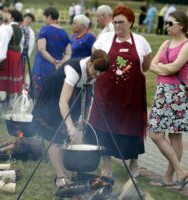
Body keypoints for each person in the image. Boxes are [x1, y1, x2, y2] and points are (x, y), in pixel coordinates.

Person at [87, 5, 152, 179]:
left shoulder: (141, 42)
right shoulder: (105, 40)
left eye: (121, 22)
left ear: (131, 22)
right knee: (104, 126)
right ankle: (106, 164)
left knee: (132, 127)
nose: (117, 26)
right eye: (115, 22)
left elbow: (145, 66)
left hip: (131, 96)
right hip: (107, 94)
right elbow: (96, 60)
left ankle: (133, 163)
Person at [31, 50, 110, 188]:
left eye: (101, 73)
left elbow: (87, 95)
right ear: (90, 62)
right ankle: (60, 176)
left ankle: (65, 170)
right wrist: (70, 126)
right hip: (55, 95)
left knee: (65, 137)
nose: (97, 75)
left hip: (74, 96)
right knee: (54, 137)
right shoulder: (73, 69)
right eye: (96, 70)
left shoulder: (94, 69)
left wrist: (83, 119)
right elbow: (62, 102)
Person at [148, 11, 188, 188]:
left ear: (181, 25)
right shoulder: (166, 43)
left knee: (175, 136)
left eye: (170, 23)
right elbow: (151, 65)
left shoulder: (187, 45)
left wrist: (161, 68)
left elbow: (174, 68)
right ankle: (180, 171)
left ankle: (169, 177)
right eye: (166, 23)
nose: (166, 26)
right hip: (162, 92)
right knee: (156, 134)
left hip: (176, 93)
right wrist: (162, 69)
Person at [32, 7, 71, 99]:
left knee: (39, 95)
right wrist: (60, 63)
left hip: (43, 66)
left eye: (45, 17)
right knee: (52, 95)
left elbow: (42, 49)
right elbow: (68, 54)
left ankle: (38, 113)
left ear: (49, 16)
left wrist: (53, 61)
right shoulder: (65, 33)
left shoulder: (45, 30)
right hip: (57, 68)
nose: (45, 20)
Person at [0, 10, 23, 108]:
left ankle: (10, 102)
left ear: (12, 17)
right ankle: (9, 100)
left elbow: (3, 43)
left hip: (9, 54)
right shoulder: (20, 29)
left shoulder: (8, 28)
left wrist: (0, 57)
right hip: (17, 54)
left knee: (9, 76)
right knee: (13, 76)